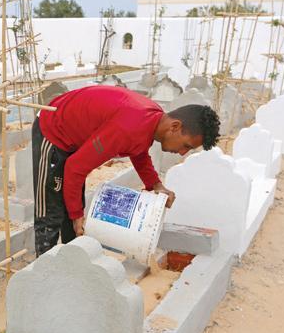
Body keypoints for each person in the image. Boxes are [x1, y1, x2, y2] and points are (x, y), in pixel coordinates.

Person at [32, 85, 220, 256]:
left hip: (74, 136)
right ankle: (42, 271)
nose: (182, 152)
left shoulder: (151, 120)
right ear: (175, 126)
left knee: (70, 208)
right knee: (50, 212)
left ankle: (67, 262)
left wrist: (156, 185)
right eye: (186, 145)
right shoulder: (128, 127)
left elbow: (138, 151)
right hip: (53, 129)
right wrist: (77, 215)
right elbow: (75, 168)